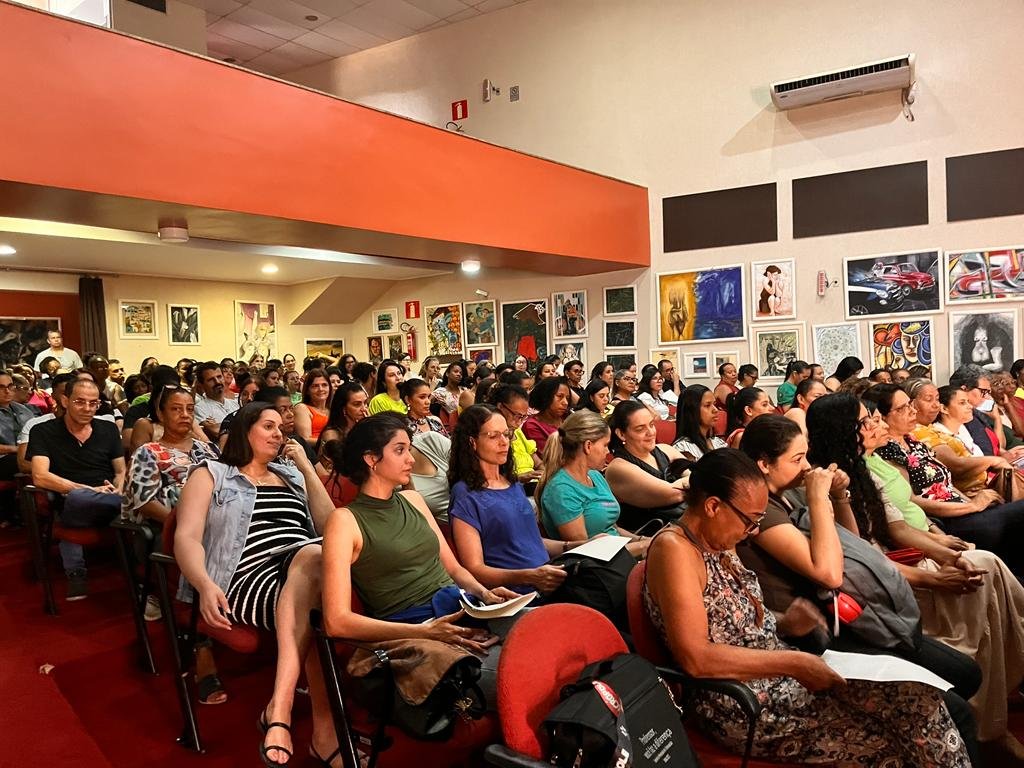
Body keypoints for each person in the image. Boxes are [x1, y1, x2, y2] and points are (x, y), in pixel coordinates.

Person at [644, 448, 972, 766]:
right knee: (902, 733)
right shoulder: (675, 550)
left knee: (919, 700)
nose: (752, 531)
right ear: (713, 506)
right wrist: (795, 663)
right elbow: (697, 658)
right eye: (749, 520)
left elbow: (732, 623)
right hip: (740, 702)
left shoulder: (718, 539)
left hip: (775, 675)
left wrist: (784, 622)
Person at [811, 392, 1024, 762]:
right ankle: (990, 725)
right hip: (888, 582)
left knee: (982, 566)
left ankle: (999, 702)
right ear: (844, 430)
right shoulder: (826, 483)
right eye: (866, 421)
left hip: (900, 560)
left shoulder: (863, 466)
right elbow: (864, 560)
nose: (876, 425)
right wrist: (936, 577)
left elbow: (898, 525)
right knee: (983, 573)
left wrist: (947, 555)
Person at [174, 402, 337, 766]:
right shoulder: (211, 474)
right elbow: (186, 538)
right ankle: (314, 727)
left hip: (306, 565)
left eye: (281, 428)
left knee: (318, 565)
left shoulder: (290, 476)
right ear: (244, 431)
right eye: (269, 426)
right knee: (317, 583)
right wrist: (203, 584)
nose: (279, 434)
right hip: (244, 575)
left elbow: (330, 528)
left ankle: (283, 711)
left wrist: (307, 469)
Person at [321, 412, 516, 653]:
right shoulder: (344, 520)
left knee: (542, 630)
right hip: (415, 630)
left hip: (463, 609)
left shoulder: (413, 499)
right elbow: (336, 622)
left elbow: (454, 569)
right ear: (371, 459)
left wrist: (485, 594)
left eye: (409, 449)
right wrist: (426, 632)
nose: (411, 459)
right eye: (400, 450)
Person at [870, 382, 1024, 577]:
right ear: (882, 417)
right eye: (902, 408)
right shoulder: (886, 451)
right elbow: (913, 500)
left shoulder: (913, 441)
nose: (912, 411)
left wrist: (973, 504)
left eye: (910, 404)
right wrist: (972, 507)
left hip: (961, 508)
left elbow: (946, 484)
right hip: (945, 519)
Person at [447, 405, 570, 595]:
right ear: (472, 442)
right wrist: (530, 576)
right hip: (514, 594)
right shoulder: (465, 494)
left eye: (506, 434)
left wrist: (575, 545)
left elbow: (530, 541)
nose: (504, 442)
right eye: (493, 436)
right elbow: (475, 568)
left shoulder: (512, 484)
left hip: (547, 581)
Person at [27, 378, 124, 600]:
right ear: (65, 401)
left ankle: (76, 573)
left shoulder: (108, 428)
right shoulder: (42, 431)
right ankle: (130, 506)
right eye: (80, 402)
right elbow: (40, 476)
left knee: (118, 497)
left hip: (109, 499)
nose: (87, 408)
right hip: (71, 499)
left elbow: (121, 471)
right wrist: (91, 490)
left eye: (93, 403)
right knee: (79, 498)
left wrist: (118, 488)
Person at [536, 410, 650, 556]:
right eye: (605, 445)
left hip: (620, 555)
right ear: (588, 446)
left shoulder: (595, 475)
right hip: (597, 564)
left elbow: (611, 527)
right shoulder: (561, 489)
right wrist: (643, 547)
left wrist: (641, 540)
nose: (608, 451)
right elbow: (587, 552)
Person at [604, 400, 686, 530]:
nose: (651, 432)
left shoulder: (666, 449)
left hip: (683, 525)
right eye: (640, 429)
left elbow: (701, 476)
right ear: (621, 434)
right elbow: (673, 493)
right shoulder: (618, 467)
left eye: (651, 424)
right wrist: (693, 483)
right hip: (650, 534)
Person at [488, 383, 541, 483]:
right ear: (500, 407)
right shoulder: (490, 435)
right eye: (517, 416)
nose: (520, 422)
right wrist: (519, 478)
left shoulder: (518, 432)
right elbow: (493, 476)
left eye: (523, 417)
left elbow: (538, 463)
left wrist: (543, 473)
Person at [672, 384, 725, 459]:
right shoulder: (683, 448)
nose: (715, 410)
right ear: (692, 410)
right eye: (707, 405)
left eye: (714, 404)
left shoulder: (718, 442)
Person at [522, 376, 571, 455]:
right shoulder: (532, 426)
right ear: (546, 396)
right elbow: (550, 457)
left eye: (567, 398)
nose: (565, 402)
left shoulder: (568, 418)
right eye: (560, 396)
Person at [316, 382, 369, 455]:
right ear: (343, 408)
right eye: (357, 404)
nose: (364, 409)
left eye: (365, 403)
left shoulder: (363, 427)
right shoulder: (331, 435)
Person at [193, 361, 240, 442]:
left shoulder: (235, 404)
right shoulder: (199, 409)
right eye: (211, 380)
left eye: (219, 377)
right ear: (201, 384)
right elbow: (216, 432)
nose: (217, 382)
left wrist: (221, 425)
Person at [293, 369, 332, 442]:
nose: (320, 389)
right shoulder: (302, 408)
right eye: (315, 386)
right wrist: (331, 442)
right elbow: (305, 439)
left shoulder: (333, 409)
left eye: (324, 385)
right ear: (307, 390)